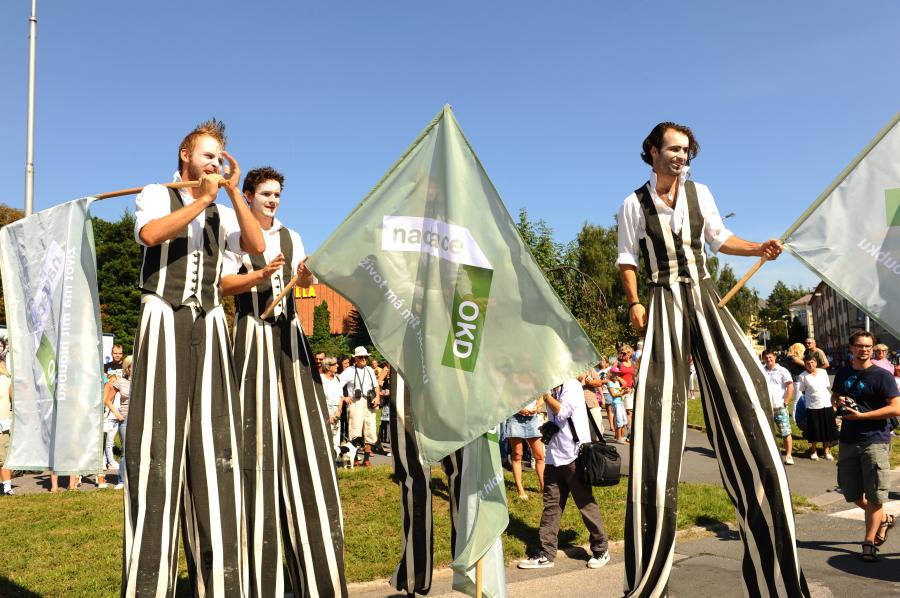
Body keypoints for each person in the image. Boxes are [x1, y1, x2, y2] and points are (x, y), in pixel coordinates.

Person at [616, 122, 809, 597]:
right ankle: (647, 575)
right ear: (653, 152)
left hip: (704, 298)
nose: (681, 156)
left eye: (686, 150)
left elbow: (720, 240)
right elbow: (627, 259)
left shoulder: (700, 193)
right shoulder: (633, 204)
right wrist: (636, 303)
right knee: (657, 414)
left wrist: (758, 248)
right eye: (673, 149)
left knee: (744, 387)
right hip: (663, 300)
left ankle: (777, 575)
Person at [122, 118, 265, 596]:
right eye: (207, 156)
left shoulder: (222, 211)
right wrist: (202, 199)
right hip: (164, 314)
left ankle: (218, 582)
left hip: (209, 321)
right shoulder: (156, 193)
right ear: (186, 156)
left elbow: (256, 246)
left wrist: (235, 194)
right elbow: (150, 235)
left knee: (215, 445)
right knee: (158, 444)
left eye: (220, 159)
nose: (214, 165)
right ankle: (149, 583)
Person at [221, 166, 347, 597]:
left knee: (303, 435)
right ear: (249, 196)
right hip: (253, 332)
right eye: (266, 194)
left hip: (290, 337)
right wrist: (257, 277)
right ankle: (260, 573)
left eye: (277, 194)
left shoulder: (292, 237)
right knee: (255, 439)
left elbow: (306, 283)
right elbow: (224, 284)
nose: (273, 200)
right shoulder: (235, 234)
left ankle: (310, 568)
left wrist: (307, 275)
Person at [518, 379, 610, 570]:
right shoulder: (554, 387)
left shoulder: (572, 386)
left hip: (574, 456)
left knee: (585, 504)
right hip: (554, 457)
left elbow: (563, 411)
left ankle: (601, 549)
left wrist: (546, 396)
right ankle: (546, 553)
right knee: (551, 506)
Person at [832, 330, 900, 562]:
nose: (864, 350)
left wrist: (863, 416)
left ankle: (869, 543)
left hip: (875, 440)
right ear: (851, 348)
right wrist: (838, 402)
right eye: (860, 346)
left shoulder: (882, 376)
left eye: (868, 346)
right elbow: (835, 397)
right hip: (848, 440)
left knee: (874, 496)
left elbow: (896, 408)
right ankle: (885, 519)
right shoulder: (844, 373)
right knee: (851, 493)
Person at [339, 346, 380, 466]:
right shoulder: (349, 370)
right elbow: (338, 384)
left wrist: (377, 396)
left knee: (370, 429)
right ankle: (355, 458)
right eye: (361, 357)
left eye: (365, 357)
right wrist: (344, 397)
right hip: (355, 403)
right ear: (355, 358)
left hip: (369, 402)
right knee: (355, 430)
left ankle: (366, 459)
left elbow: (376, 386)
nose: (364, 359)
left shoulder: (370, 370)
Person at [796, 355, 837, 461]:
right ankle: (813, 451)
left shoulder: (823, 372)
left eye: (812, 362)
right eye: (808, 363)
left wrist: (833, 404)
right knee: (814, 429)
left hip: (826, 403)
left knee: (827, 428)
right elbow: (803, 390)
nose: (810, 365)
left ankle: (826, 451)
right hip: (812, 406)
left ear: (816, 363)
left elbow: (826, 387)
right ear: (805, 365)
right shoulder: (802, 376)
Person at [505, 395, 545, 500]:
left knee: (539, 455)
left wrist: (537, 406)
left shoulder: (535, 382)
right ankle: (520, 488)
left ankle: (543, 486)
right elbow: (505, 396)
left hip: (533, 418)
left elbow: (543, 394)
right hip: (515, 417)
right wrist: (519, 408)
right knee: (517, 455)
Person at [102, 355, 133, 490]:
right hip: (125, 419)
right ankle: (121, 479)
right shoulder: (120, 382)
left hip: (139, 420)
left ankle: (134, 479)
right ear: (127, 368)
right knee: (125, 451)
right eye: (132, 366)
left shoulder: (143, 382)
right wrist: (117, 414)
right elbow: (107, 400)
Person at [763, 350, 795, 464]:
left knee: (785, 432)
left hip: (779, 407)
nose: (768, 359)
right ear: (763, 359)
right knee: (767, 432)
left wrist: (785, 402)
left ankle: (789, 455)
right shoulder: (761, 370)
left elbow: (790, 387)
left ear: (774, 357)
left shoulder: (782, 371)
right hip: (766, 408)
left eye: (770, 357)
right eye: (766, 358)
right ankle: (771, 455)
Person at [321, 356, 349, 459]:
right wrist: (327, 415)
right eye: (334, 364)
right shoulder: (321, 379)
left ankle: (334, 459)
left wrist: (339, 411)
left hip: (337, 411)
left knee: (336, 435)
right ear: (328, 366)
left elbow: (341, 397)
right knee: (325, 435)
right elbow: (320, 398)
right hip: (325, 411)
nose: (337, 365)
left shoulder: (337, 379)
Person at [0, 360, 13, 496]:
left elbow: (15, 400)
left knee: (3, 458)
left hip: (2, 426)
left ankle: (7, 487)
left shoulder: (6, 381)